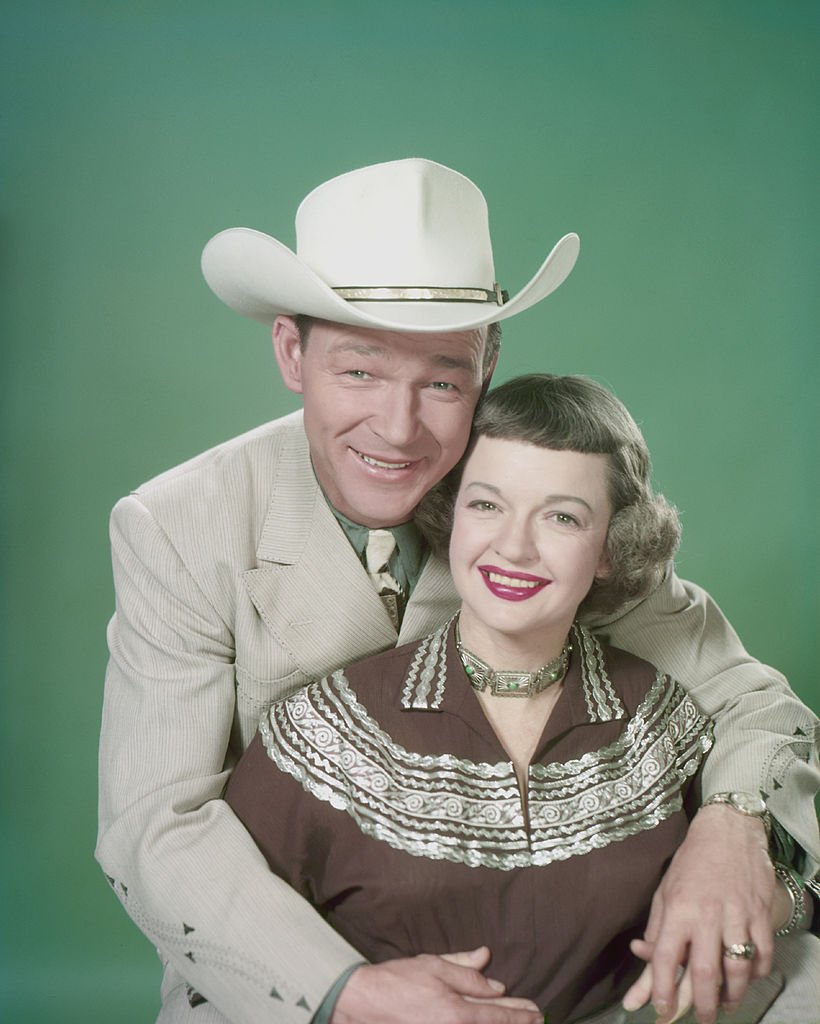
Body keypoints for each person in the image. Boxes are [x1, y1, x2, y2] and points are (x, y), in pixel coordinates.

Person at [96, 158, 820, 1024]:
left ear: (488, 363)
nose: (399, 431)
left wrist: (734, 828)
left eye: (442, 380)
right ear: (292, 351)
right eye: (359, 372)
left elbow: (759, 709)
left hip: (556, 950)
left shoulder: (549, 499)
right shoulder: (179, 527)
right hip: (293, 968)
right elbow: (154, 827)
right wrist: (347, 991)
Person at [223, 373, 811, 1024]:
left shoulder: (664, 721)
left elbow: (800, 882)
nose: (515, 545)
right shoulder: (320, 731)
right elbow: (230, 949)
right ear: (448, 518)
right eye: (487, 505)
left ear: (614, 547)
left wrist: (761, 890)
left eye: (562, 516)